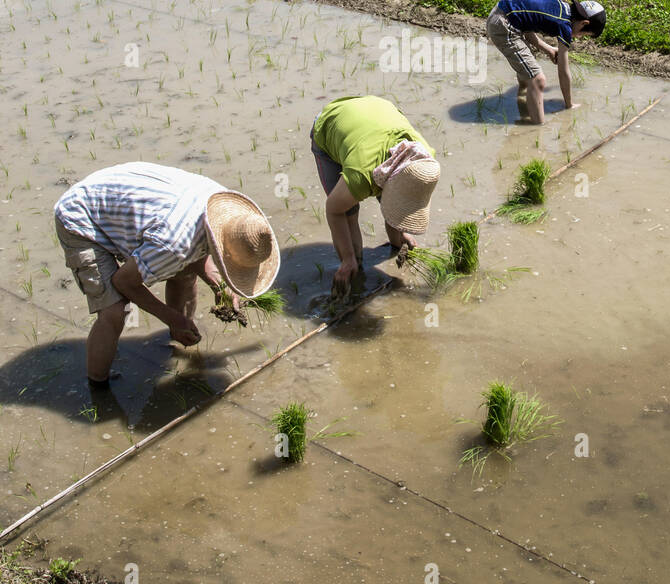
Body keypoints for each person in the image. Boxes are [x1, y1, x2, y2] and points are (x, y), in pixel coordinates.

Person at [54, 163, 279, 384]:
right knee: (115, 310)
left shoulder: (223, 209)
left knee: (183, 273)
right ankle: (98, 388)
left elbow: (198, 249)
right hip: (81, 217)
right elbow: (124, 282)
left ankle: (181, 336)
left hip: (124, 203)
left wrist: (219, 286)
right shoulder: (174, 244)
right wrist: (172, 317)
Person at [311, 96, 440, 293]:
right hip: (332, 122)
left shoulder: (424, 162)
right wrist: (347, 259)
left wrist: (401, 237)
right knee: (348, 212)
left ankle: (392, 241)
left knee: (400, 209)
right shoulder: (362, 174)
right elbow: (334, 211)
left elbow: (403, 202)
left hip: (377, 112)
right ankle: (355, 268)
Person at [486, 0, 606, 125]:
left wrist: (548, 49)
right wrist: (569, 104)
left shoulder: (562, 7)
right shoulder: (565, 26)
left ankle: (523, 96)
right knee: (537, 79)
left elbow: (525, 23)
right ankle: (537, 128)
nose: (578, 37)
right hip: (503, 25)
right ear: (584, 23)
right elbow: (563, 71)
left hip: (502, 14)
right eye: (583, 34)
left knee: (528, 65)